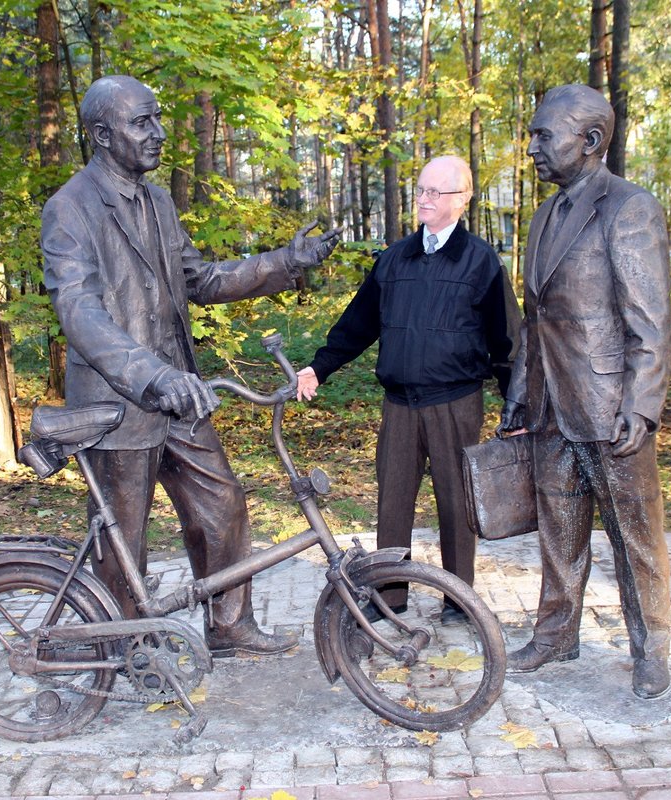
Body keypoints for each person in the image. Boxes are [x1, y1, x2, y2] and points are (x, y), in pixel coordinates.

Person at [41, 75, 340, 656]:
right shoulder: (70, 209)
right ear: (102, 134)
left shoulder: (157, 200)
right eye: (141, 122)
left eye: (157, 119)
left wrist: (285, 261)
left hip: (183, 397)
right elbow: (80, 313)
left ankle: (228, 625)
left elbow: (198, 279)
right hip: (119, 403)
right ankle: (121, 646)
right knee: (123, 536)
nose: (157, 134)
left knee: (222, 504)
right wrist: (154, 376)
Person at [498, 84, 671, 699]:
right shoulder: (545, 216)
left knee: (636, 538)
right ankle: (556, 633)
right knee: (559, 527)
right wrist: (521, 391)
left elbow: (650, 324)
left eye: (544, 135)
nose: (532, 148)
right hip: (550, 404)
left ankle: (651, 648)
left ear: (592, 141)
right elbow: (533, 316)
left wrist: (641, 407)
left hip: (609, 408)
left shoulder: (630, 208)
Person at [296, 155, 520, 612]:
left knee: (457, 507)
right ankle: (389, 598)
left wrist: (518, 406)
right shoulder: (395, 259)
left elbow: (507, 339)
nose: (424, 198)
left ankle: (460, 603)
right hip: (398, 405)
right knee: (392, 505)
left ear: (462, 200)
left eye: (436, 192)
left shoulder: (480, 261)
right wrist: (320, 367)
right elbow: (356, 325)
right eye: (421, 189)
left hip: (455, 403)